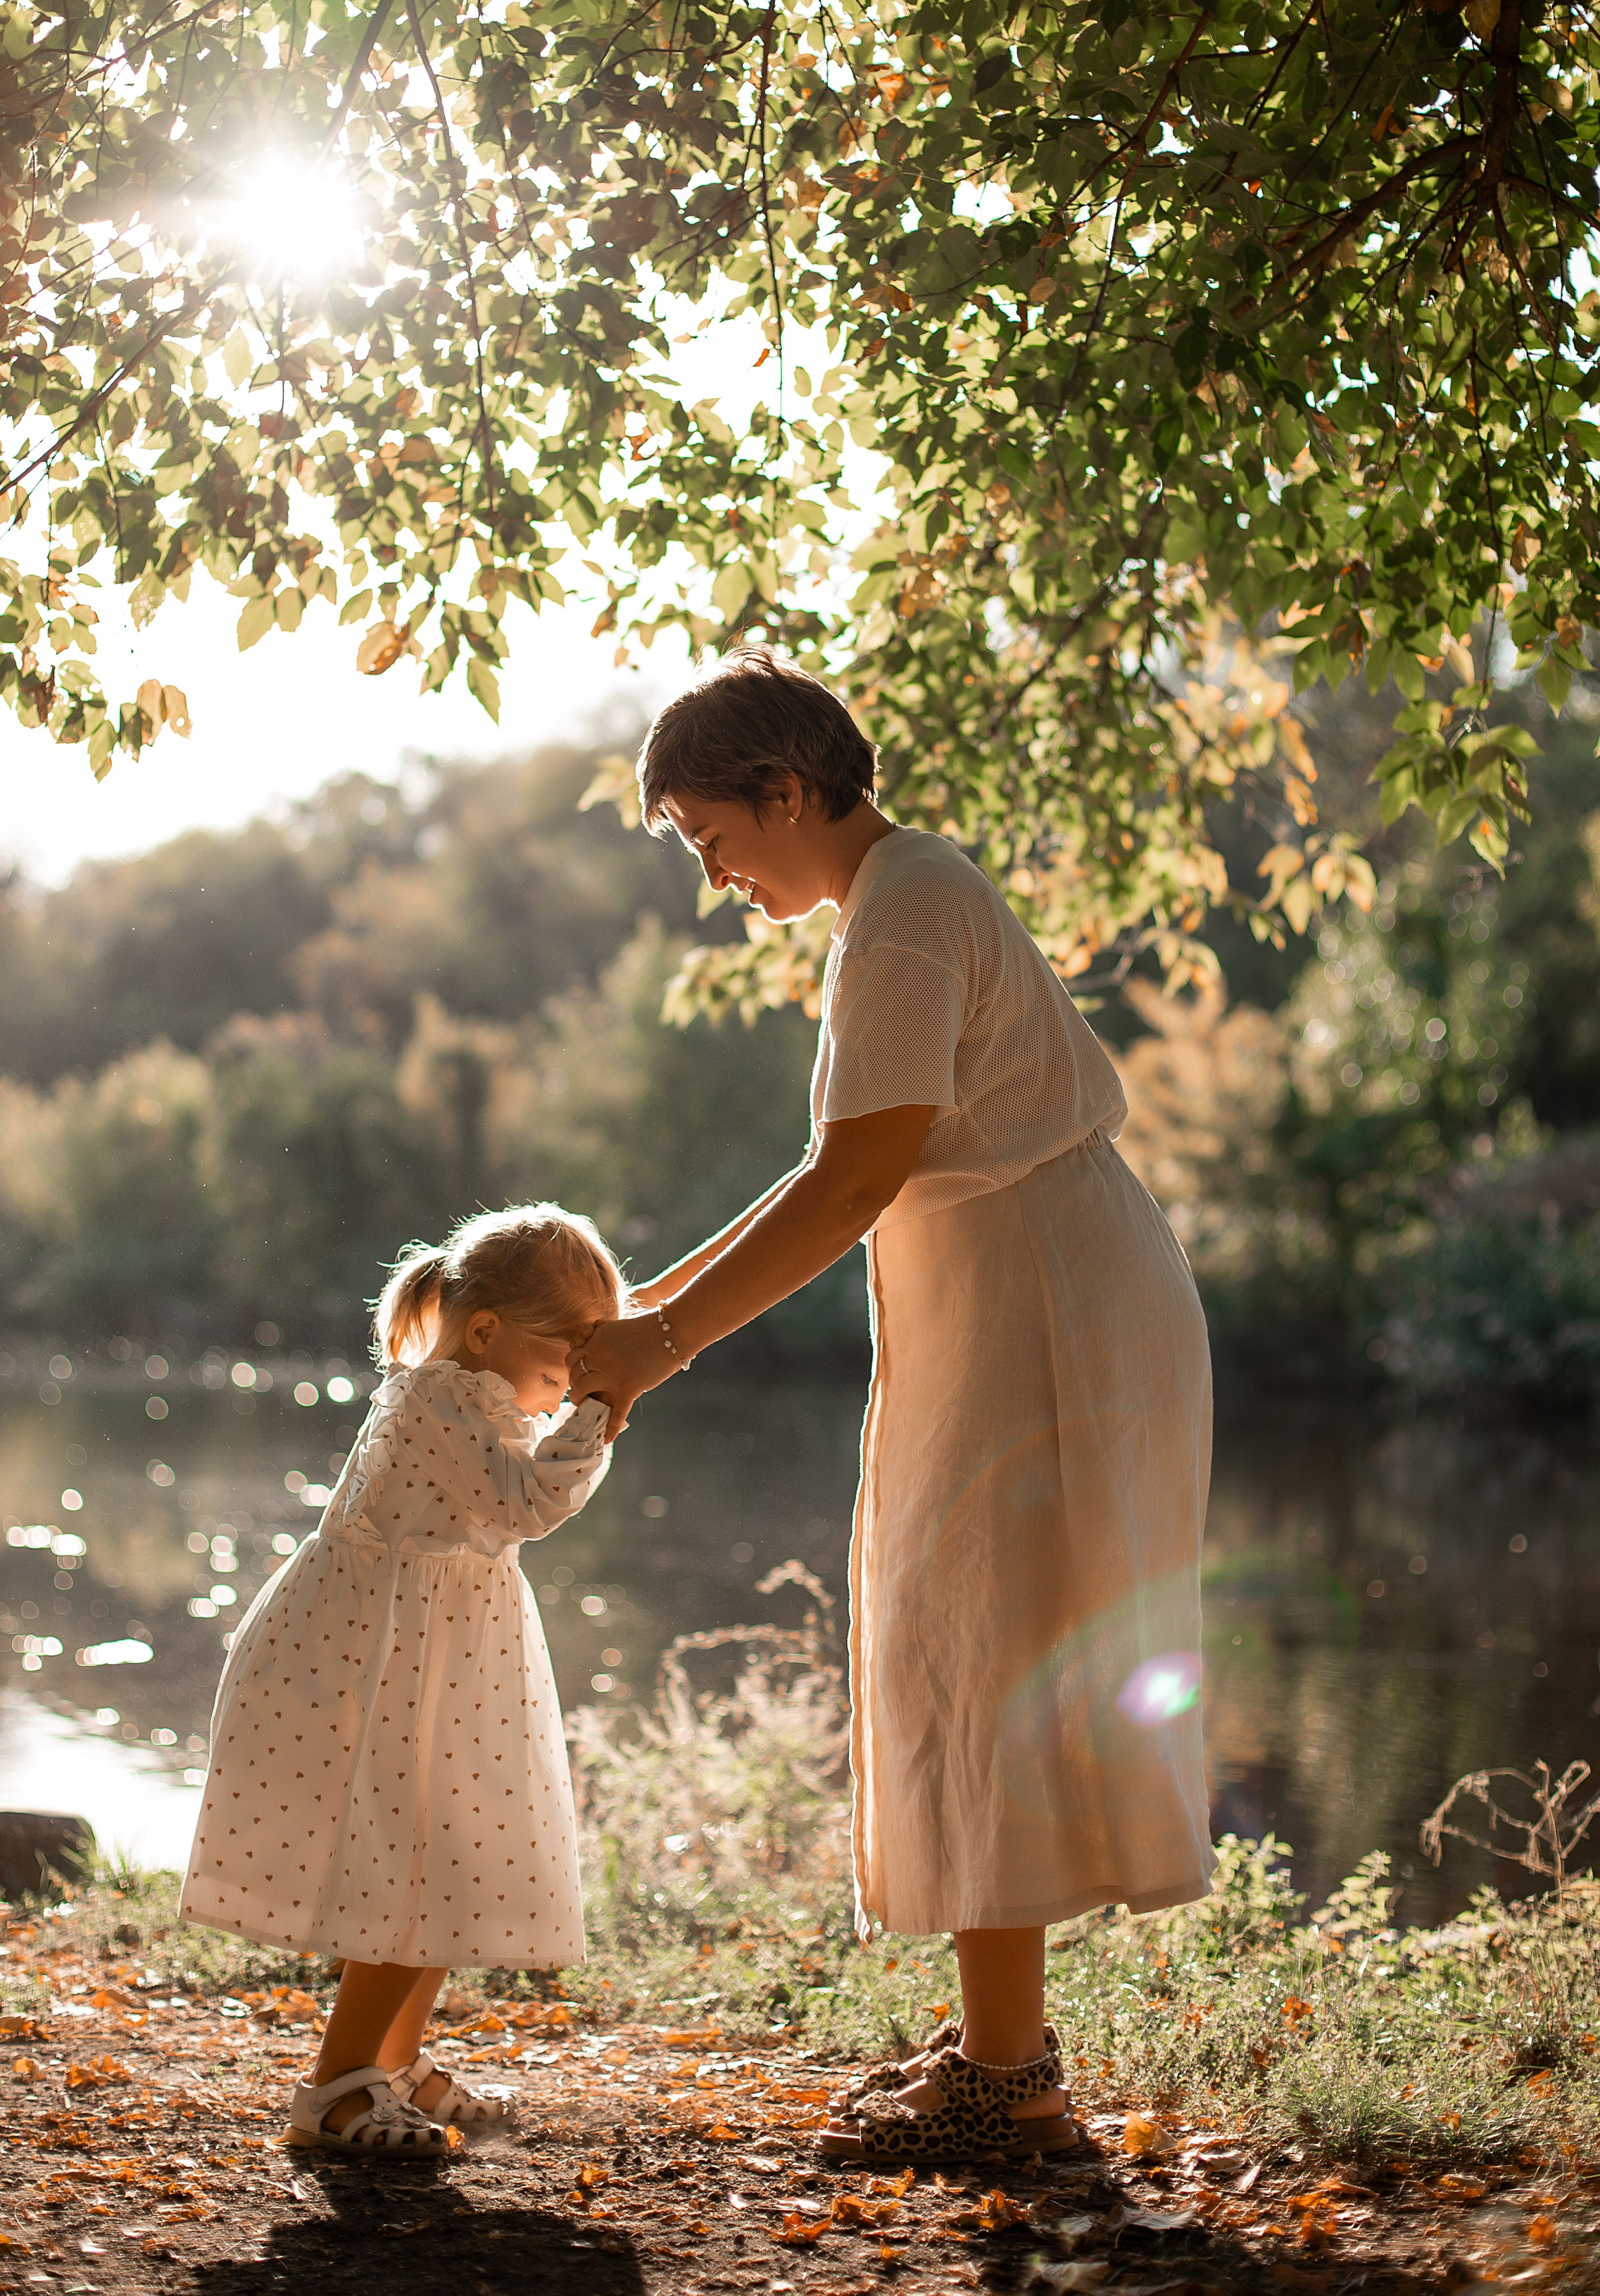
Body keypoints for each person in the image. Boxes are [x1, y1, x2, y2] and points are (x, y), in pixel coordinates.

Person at [573, 652, 1215, 2166]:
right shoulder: (898, 899)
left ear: (786, 791)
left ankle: (1006, 2086)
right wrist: (640, 1309)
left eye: (711, 838)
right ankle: (1002, 2053)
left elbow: (854, 1179)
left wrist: (662, 1345)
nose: (714, 878)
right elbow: (843, 1169)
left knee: (986, 1644)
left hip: (1043, 1311)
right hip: (1018, 1291)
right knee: (967, 1638)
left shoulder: (908, 911)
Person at [179, 1205, 625, 2157]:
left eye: (588, 1367)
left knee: (449, 1860)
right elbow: (524, 1505)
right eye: (569, 1360)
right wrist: (602, 1413)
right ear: (486, 1330)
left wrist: (583, 1403)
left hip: (443, 1657)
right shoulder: (434, 1401)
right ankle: (337, 2087)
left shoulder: (480, 1401)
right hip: (382, 1662)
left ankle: (395, 2061)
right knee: (412, 1863)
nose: (575, 1382)